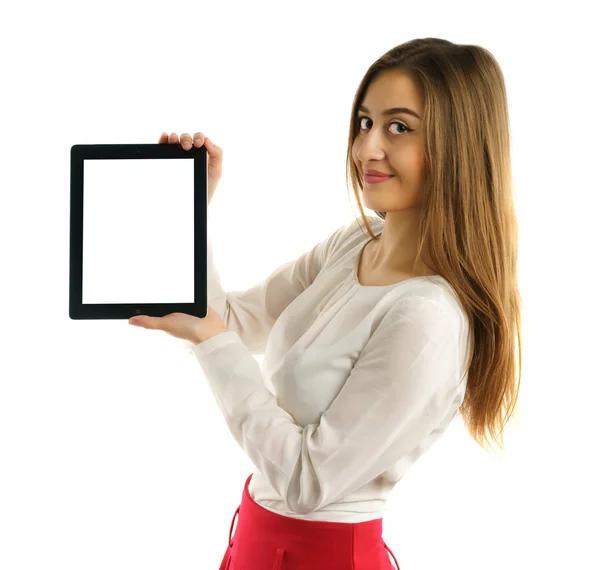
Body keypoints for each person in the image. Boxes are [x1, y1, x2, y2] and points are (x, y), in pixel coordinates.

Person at [171, 37, 522, 570]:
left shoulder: (426, 317)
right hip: (255, 541)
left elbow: (306, 481)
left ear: (460, 147)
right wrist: (190, 205)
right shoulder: (353, 244)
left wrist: (210, 340)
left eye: (398, 127)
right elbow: (234, 322)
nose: (366, 149)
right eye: (364, 122)